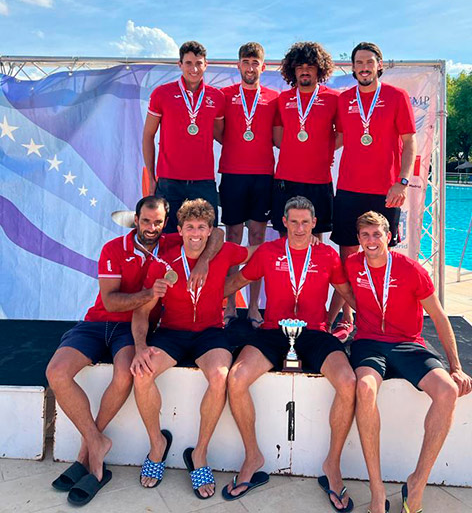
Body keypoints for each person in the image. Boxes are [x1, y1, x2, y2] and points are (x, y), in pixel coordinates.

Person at [46, 196, 222, 505]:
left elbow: (216, 233)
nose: (151, 228)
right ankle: (94, 442)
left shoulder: (172, 242)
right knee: (56, 373)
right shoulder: (114, 249)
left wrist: (205, 260)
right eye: (145, 221)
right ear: (135, 220)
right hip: (97, 322)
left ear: (166, 225)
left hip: (132, 329)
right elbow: (112, 302)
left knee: (127, 374)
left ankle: (90, 450)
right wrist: (147, 293)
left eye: (157, 222)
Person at [223, 196, 357, 512]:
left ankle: (332, 466)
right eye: (293, 222)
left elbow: (348, 292)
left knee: (349, 382)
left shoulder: (327, 255)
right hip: (272, 332)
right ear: (284, 222)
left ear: (314, 224)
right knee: (236, 378)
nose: (299, 228)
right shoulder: (269, 251)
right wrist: (197, 294)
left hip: (313, 334)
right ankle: (252, 456)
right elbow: (237, 281)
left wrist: (374, 316)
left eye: (305, 223)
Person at [346, 211, 472, 513]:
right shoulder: (352, 265)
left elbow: (440, 317)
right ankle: (376, 490)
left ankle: (417, 482)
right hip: (368, 343)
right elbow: (342, 291)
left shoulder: (411, 269)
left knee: (447, 391)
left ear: (389, 237)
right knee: (364, 389)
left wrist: (455, 366)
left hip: (407, 344)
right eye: (365, 235)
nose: (371, 241)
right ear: (358, 239)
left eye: (376, 234)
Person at [130, 199, 256, 499]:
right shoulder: (164, 261)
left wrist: (303, 241)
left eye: (202, 227)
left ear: (211, 230)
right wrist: (139, 347)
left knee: (219, 376)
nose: (196, 234)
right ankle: (157, 445)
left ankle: (199, 454)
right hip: (171, 333)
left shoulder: (224, 251)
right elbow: (140, 310)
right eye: (190, 228)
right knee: (142, 374)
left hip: (210, 333)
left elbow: (258, 253)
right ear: (180, 229)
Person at [330, 41, 417, 339]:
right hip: (349, 188)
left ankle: (382, 316)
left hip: (385, 190)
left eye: (369, 62)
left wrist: (402, 181)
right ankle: (347, 317)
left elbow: (409, 142)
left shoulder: (397, 96)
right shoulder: (343, 100)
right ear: (352, 67)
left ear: (379, 65)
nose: (364, 67)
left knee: (381, 255)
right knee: (347, 254)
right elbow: (339, 137)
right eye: (359, 63)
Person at [218, 42, 280, 327]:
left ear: (263, 67)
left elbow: (279, 137)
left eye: (256, 62)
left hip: (263, 176)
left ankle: (255, 307)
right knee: (232, 240)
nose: (251, 67)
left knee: (258, 240)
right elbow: (220, 133)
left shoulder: (274, 98)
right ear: (238, 65)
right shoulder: (224, 96)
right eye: (246, 62)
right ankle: (230, 305)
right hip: (232, 175)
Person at [143, 41, 225, 233]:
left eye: (198, 63)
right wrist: (151, 177)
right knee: (167, 237)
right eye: (188, 63)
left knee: (207, 235)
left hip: (203, 182)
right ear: (179, 65)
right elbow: (148, 135)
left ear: (206, 64)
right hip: (169, 182)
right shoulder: (162, 94)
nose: (194, 69)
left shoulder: (217, 97)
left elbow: (222, 136)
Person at [271, 42, 338, 239]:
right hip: (286, 178)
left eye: (310, 66)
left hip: (318, 179)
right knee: (285, 234)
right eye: (300, 67)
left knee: (315, 236)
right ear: (293, 70)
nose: (305, 71)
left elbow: (341, 135)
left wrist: (323, 150)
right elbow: (278, 136)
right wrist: (297, 150)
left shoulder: (333, 98)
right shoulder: (282, 99)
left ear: (320, 68)